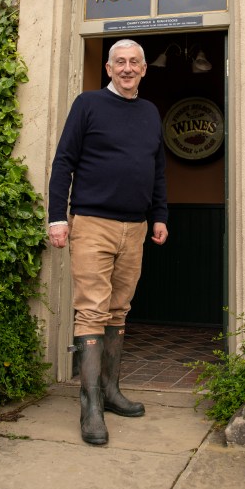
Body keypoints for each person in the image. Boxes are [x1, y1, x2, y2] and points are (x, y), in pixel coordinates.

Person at [48, 39, 168, 446]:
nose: (128, 68)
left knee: (119, 309)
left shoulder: (151, 113)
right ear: (109, 67)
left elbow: (157, 169)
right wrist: (56, 218)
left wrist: (160, 216)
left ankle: (112, 392)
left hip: (135, 226)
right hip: (92, 223)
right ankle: (90, 404)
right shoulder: (88, 104)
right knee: (92, 310)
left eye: (135, 62)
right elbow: (64, 160)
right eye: (120, 62)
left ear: (144, 69)